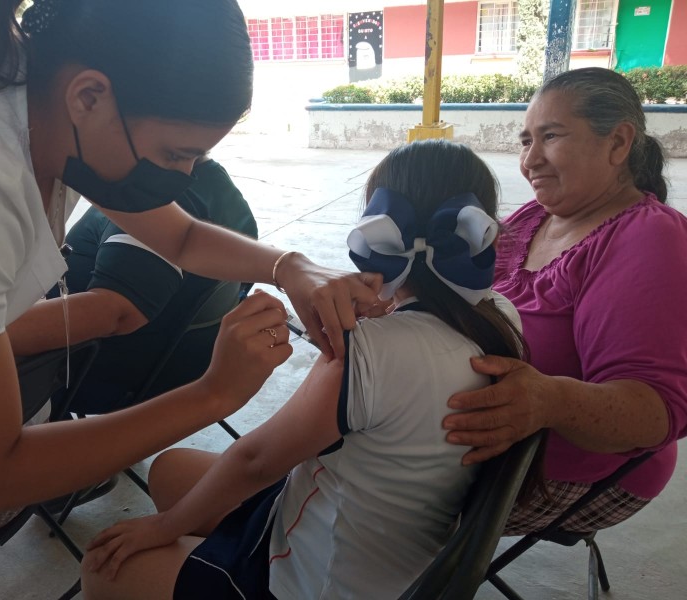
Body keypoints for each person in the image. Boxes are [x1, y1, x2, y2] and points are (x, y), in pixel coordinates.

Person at [0, 0, 382, 597]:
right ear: (89, 96)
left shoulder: (45, 98)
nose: (187, 175)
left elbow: (184, 235)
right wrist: (214, 393)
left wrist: (290, 265)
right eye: (176, 154)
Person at [79, 140, 527, 600]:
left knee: (105, 568)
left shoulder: (369, 351)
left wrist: (164, 528)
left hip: (313, 579)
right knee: (171, 470)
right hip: (398, 561)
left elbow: (256, 460)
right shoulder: (501, 316)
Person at [442, 67, 687, 535]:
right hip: (484, 443)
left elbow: (654, 413)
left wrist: (546, 400)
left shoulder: (648, 237)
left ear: (617, 143)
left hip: (576, 473)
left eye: (550, 136)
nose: (530, 160)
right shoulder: (538, 215)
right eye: (525, 140)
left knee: (372, 500)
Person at [7, 155, 259, 414]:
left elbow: (113, 312)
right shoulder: (219, 187)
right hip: (182, 364)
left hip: (96, 376)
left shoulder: (159, 198)